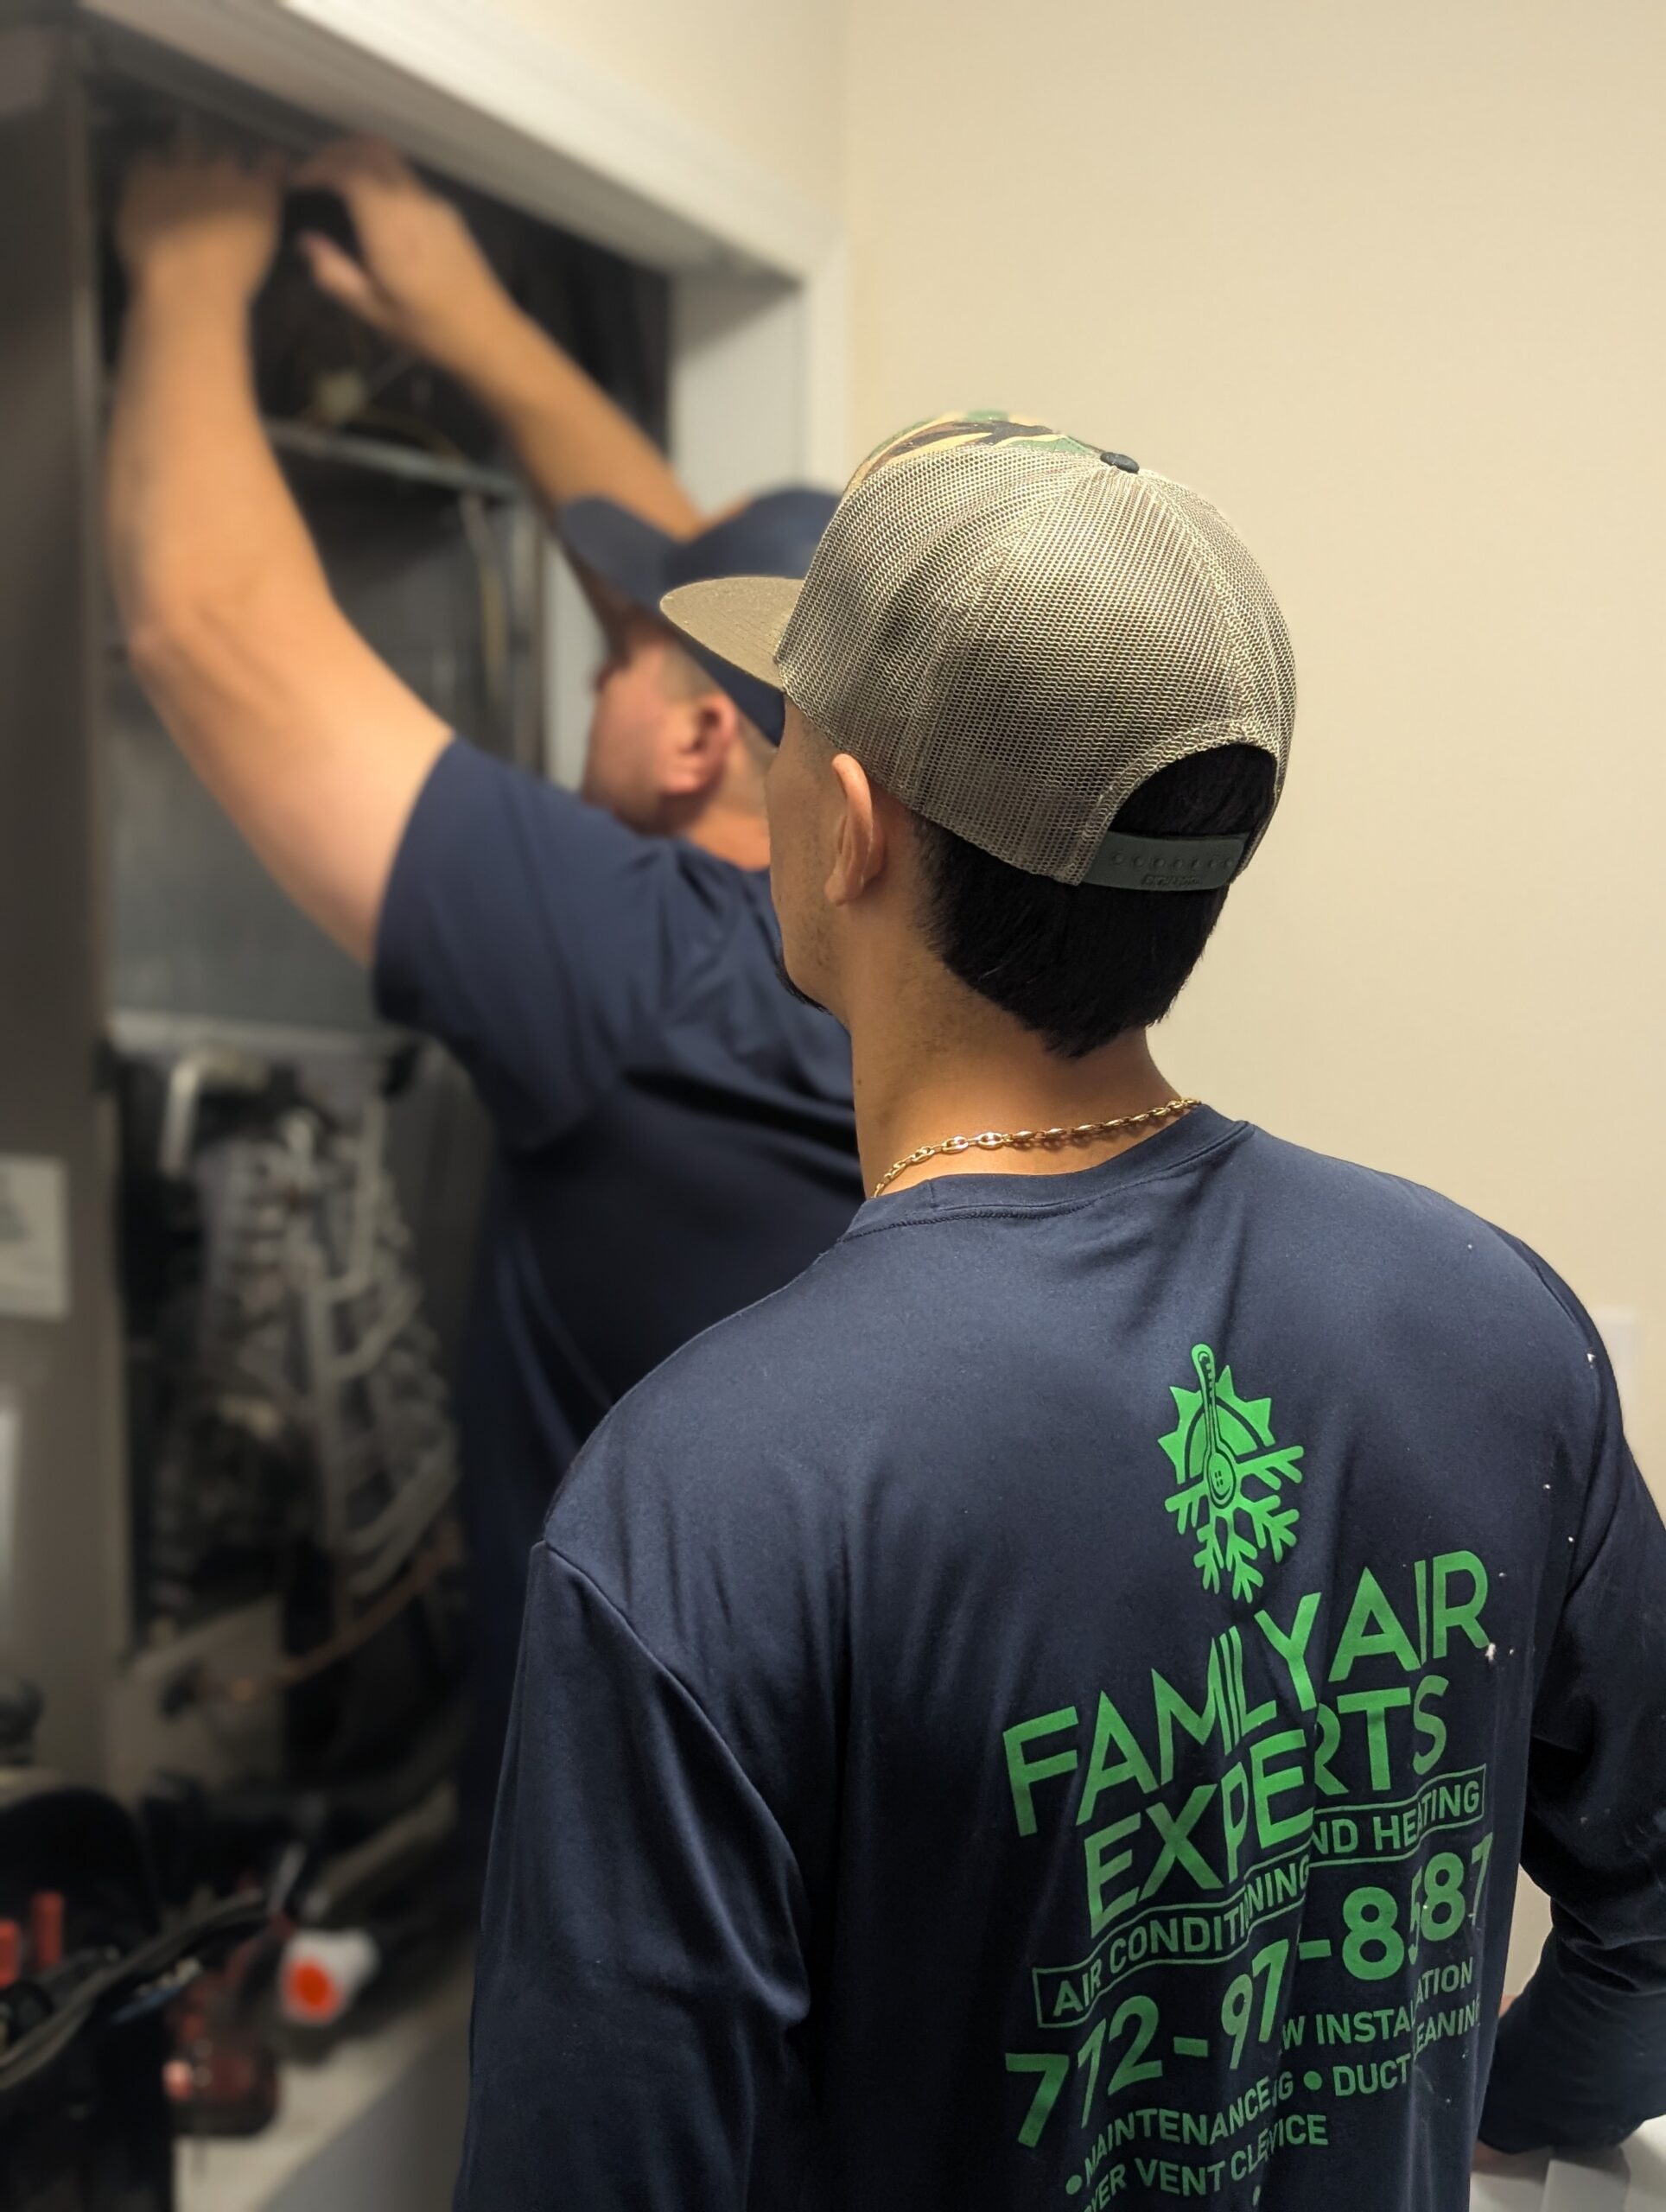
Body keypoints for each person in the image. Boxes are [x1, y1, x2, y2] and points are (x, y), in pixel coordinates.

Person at [455, 412, 1666, 2209]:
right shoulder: (1493, 1327)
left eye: (788, 718)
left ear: (849, 827)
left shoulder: (708, 1502)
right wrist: (1502, 2113)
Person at [104, 146, 861, 1852]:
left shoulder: (650, 974)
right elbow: (698, 627)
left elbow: (204, 622)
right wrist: (476, 330)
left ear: (690, 745)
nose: (595, 658)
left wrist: (188, 265)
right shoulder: (890, 968)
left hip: (636, 1914)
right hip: (811, 1846)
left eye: (620, 662)